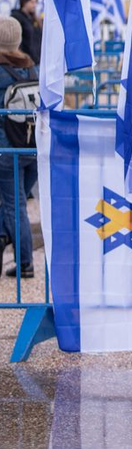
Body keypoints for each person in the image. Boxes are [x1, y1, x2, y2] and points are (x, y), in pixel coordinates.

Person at [0, 17, 37, 279]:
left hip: (6, 148)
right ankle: (4, 237)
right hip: (31, 146)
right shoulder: (30, 67)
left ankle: (25, 262)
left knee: (14, 206)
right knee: (14, 203)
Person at [13, 0, 41, 66]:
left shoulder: (34, 18)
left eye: (35, 2)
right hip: (26, 63)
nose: (34, 5)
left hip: (37, 60)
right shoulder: (16, 17)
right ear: (24, 2)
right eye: (32, 2)